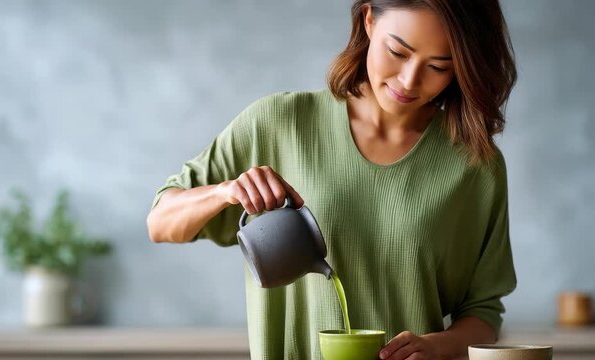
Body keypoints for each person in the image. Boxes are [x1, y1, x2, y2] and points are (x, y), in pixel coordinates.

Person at [147, 0, 517, 358]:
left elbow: (484, 313)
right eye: (398, 52)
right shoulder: (278, 123)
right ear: (369, 21)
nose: (409, 80)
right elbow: (160, 222)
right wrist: (225, 192)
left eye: (439, 66)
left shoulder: (475, 165)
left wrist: (436, 347)